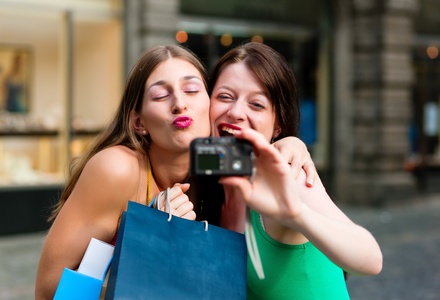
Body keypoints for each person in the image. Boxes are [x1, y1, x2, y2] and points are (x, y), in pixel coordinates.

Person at [35, 44, 316, 299]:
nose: (180, 103)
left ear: (209, 104)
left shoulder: (215, 159)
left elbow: (266, 152)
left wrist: (292, 143)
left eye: (192, 90)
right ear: (138, 123)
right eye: (160, 95)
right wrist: (147, 234)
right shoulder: (117, 169)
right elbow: (48, 290)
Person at [208, 42, 383, 299]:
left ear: (277, 125)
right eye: (224, 96)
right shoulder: (211, 180)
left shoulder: (288, 175)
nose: (236, 112)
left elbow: (370, 259)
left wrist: (297, 214)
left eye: (256, 104)